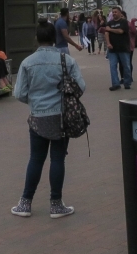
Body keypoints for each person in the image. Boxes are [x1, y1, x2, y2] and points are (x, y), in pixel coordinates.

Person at [11, 20, 84, 219]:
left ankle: (25, 203)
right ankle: (56, 204)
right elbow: (81, 86)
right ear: (54, 38)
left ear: (36, 38)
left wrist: (34, 102)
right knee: (58, 159)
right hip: (61, 117)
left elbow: (18, 93)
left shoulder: (27, 62)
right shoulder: (67, 61)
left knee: (36, 159)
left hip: (37, 117)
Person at [105, 6, 133, 91]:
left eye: (115, 12)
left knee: (126, 66)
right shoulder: (109, 23)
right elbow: (106, 33)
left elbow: (121, 31)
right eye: (113, 12)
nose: (114, 13)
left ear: (120, 13)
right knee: (112, 66)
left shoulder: (124, 22)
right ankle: (115, 84)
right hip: (112, 49)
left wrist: (111, 29)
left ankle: (127, 82)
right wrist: (108, 43)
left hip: (123, 48)